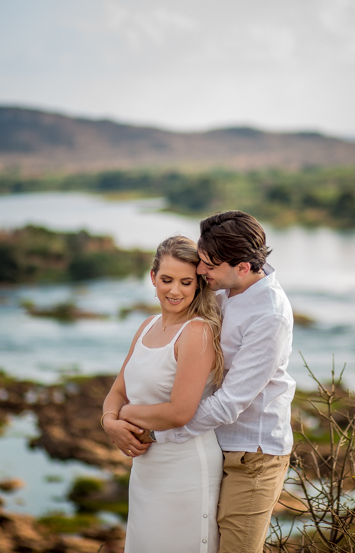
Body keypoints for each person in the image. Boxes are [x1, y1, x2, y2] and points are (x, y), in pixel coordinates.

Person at [120, 210, 295, 553]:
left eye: (209, 265)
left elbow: (229, 402)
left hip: (251, 455)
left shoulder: (269, 315)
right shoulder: (223, 290)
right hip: (210, 445)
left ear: (242, 267)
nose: (200, 271)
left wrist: (158, 432)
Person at [101, 235, 225, 553]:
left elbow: (179, 412)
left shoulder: (197, 332)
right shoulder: (147, 325)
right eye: (167, 280)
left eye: (186, 282)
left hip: (186, 468)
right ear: (153, 277)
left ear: (198, 284)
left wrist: (125, 414)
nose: (175, 291)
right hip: (146, 468)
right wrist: (109, 422)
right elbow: (118, 389)